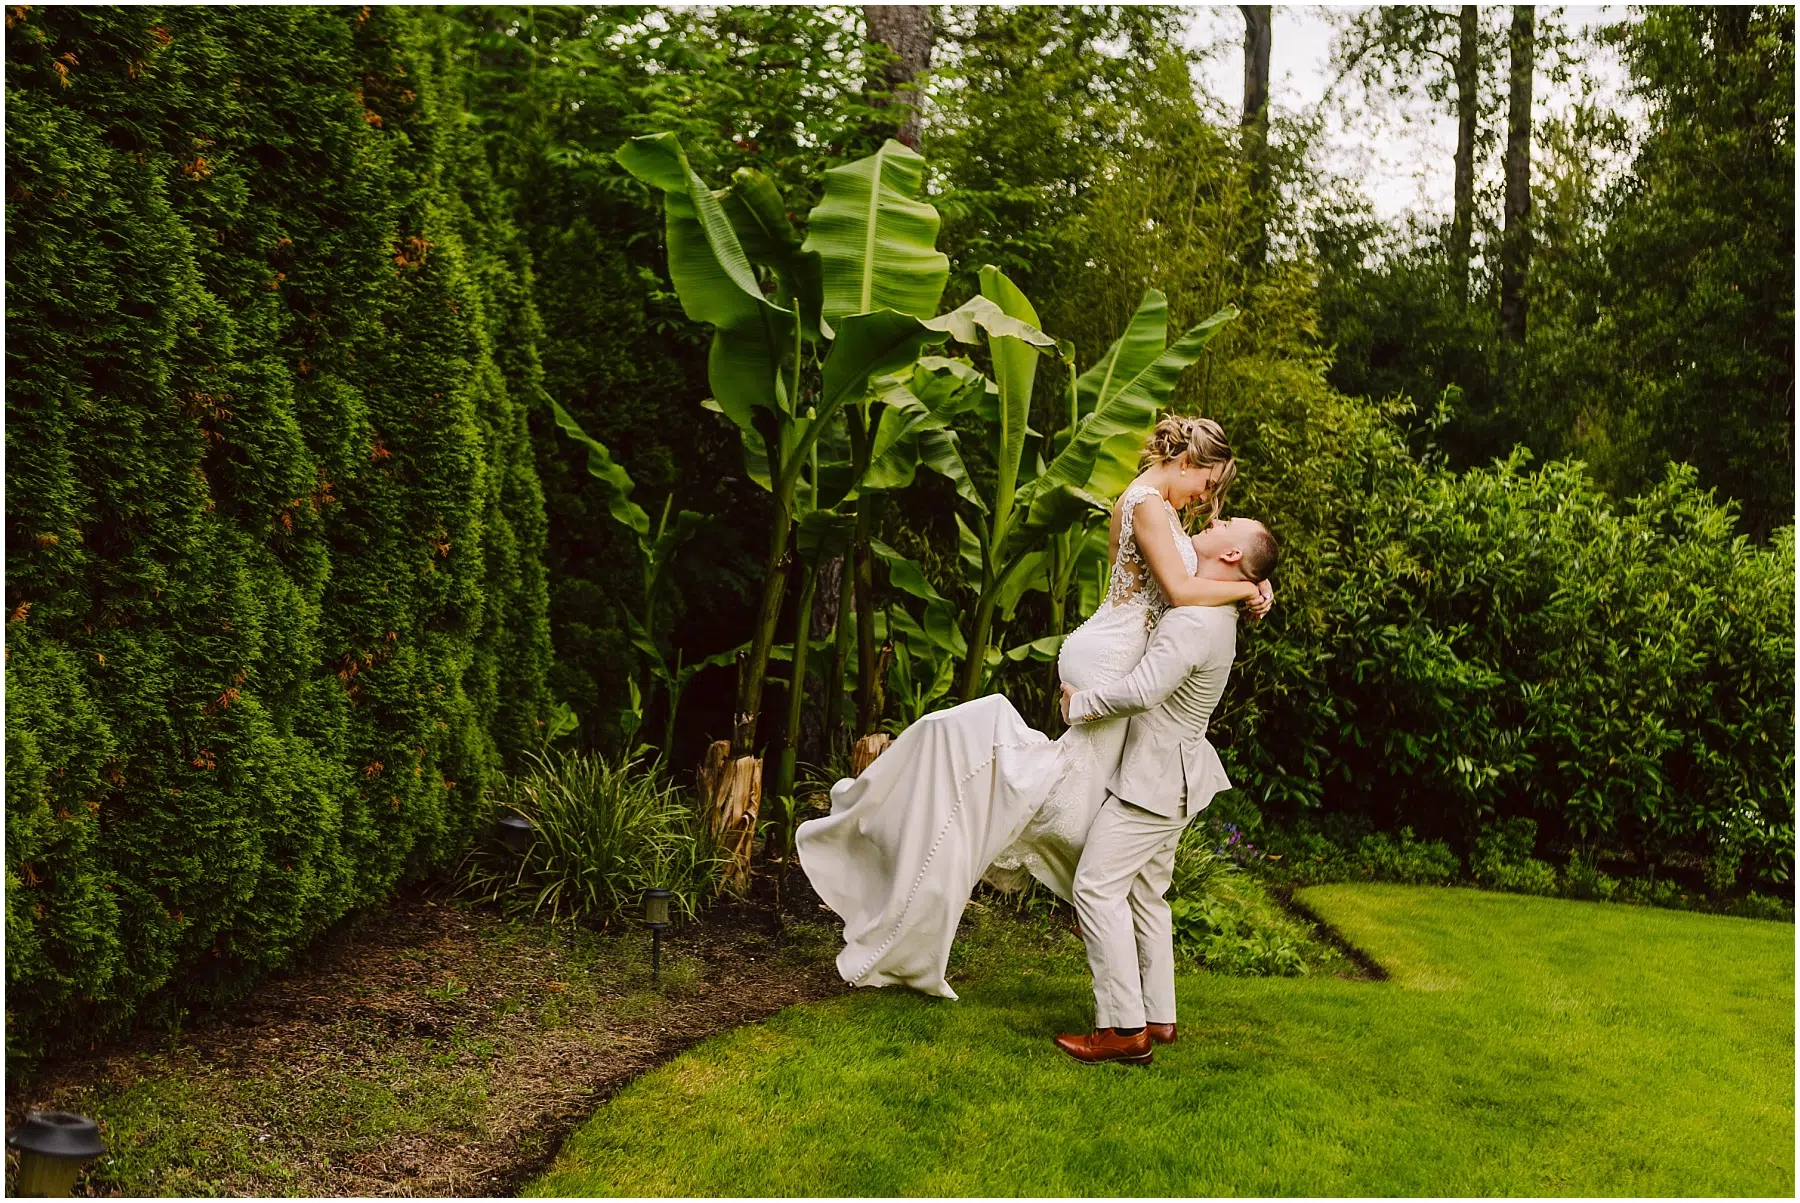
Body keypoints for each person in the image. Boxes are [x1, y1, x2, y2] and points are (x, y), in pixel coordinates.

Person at [796, 416, 1272, 999]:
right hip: (1111, 661)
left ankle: (1081, 884)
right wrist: (1246, 588)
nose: (1207, 499)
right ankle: (1054, 858)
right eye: (1208, 484)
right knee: (1066, 810)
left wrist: (1253, 582)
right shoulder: (1148, 503)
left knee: (1079, 806)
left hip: (1110, 652)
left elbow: (1198, 572)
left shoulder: (1155, 504)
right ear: (1187, 463)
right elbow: (1177, 589)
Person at [1052, 516, 1279, 1067]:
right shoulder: (1215, 607)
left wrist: (1076, 705)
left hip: (1152, 782)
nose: (1217, 518)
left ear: (1228, 556)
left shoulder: (1196, 621)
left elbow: (1142, 690)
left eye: (1227, 522)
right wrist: (1254, 585)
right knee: (1146, 895)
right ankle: (1159, 1015)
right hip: (1178, 774)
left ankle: (1124, 1030)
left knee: (1096, 888)